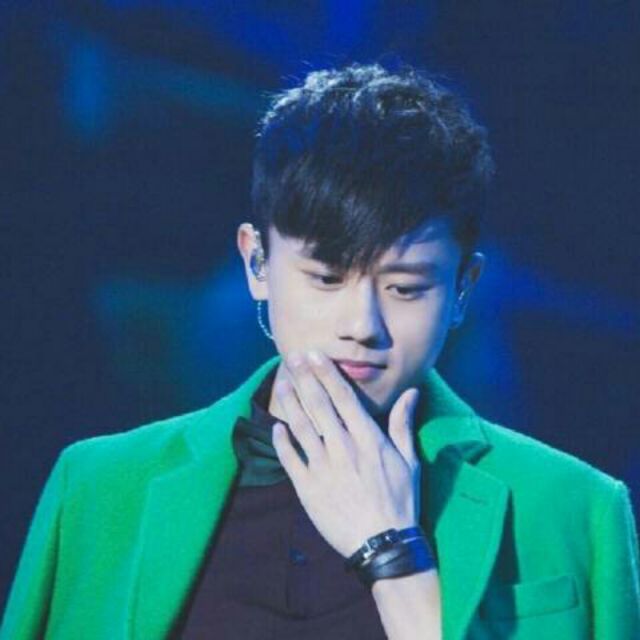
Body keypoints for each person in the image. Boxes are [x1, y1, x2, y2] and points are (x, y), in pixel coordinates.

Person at [2, 62, 639, 640]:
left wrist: (392, 553)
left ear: (462, 288)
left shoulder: (574, 508)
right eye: (327, 278)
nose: (362, 324)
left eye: (405, 288)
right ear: (257, 262)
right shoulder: (100, 487)